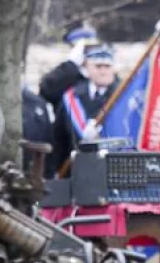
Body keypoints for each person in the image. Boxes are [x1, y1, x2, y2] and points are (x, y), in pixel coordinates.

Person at [49, 42, 119, 173]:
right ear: (86, 69)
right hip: (78, 171)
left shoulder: (123, 97)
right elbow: (59, 138)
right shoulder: (72, 97)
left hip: (113, 171)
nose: (103, 71)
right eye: (98, 66)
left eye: (107, 66)